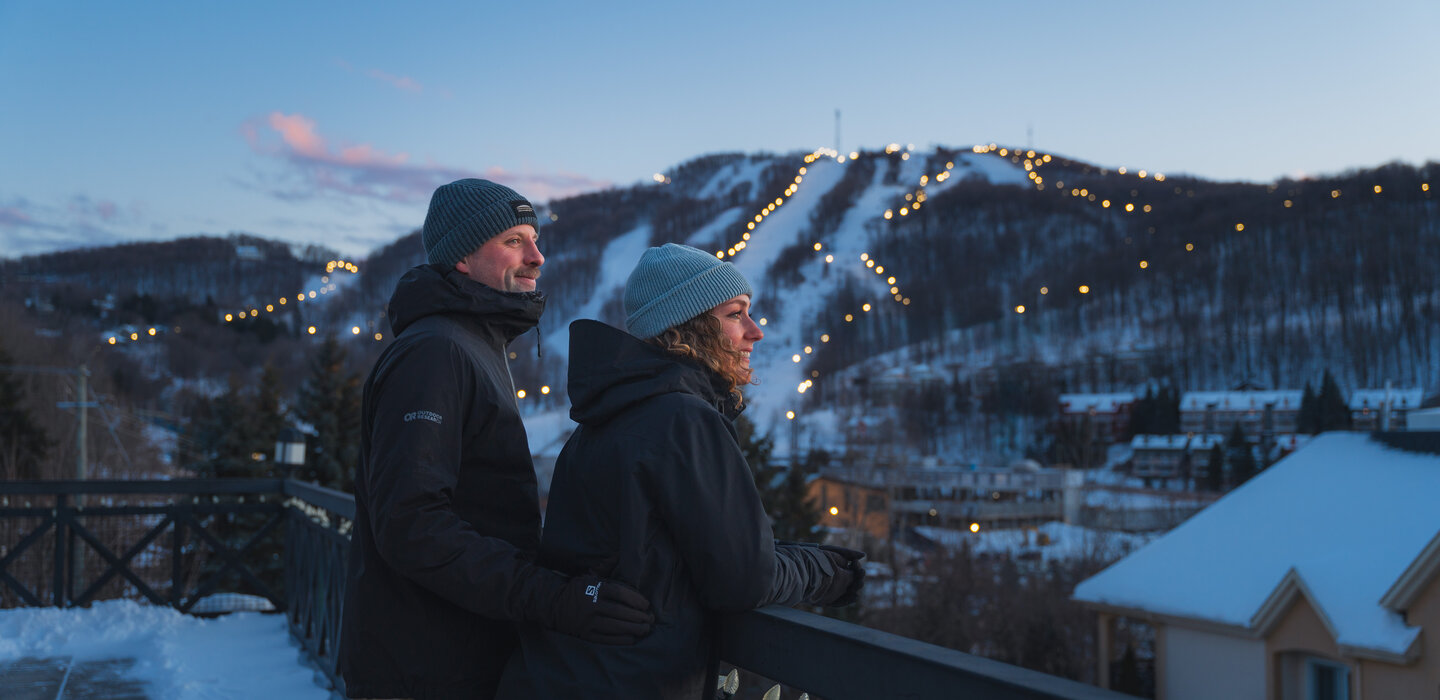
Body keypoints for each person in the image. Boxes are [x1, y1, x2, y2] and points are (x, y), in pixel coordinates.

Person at [501, 243, 866, 699]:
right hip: (630, 682)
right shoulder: (682, 419)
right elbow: (744, 578)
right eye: (736, 314)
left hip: (558, 674)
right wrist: (830, 570)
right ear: (691, 328)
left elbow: (665, 560)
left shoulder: (601, 421)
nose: (756, 331)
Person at [338, 178, 655, 700]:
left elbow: (480, 510)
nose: (537, 257)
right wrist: (552, 598)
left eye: (533, 238)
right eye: (513, 241)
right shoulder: (435, 352)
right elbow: (412, 524)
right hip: (424, 671)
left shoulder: (470, 344)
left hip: (459, 656)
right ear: (462, 256)